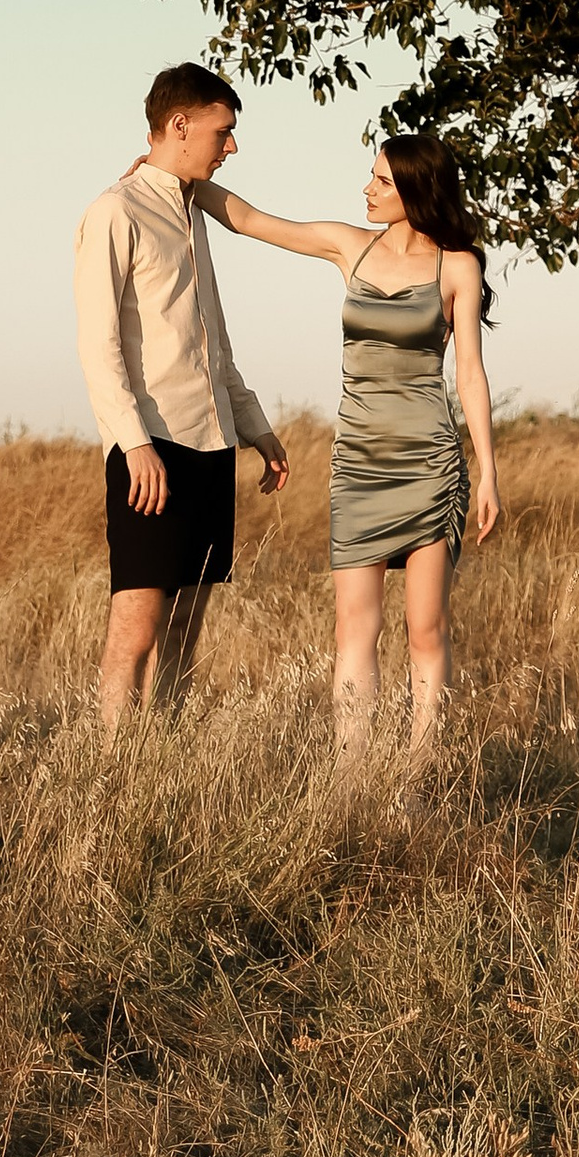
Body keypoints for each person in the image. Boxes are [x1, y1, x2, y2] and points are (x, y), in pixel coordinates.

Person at [193, 131, 499, 761]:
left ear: (417, 189)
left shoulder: (457, 267)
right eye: (372, 176)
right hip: (359, 463)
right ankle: (354, 771)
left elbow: (468, 373)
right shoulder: (349, 248)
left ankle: (418, 774)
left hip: (429, 464)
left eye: (383, 181)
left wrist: (488, 473)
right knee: (354, 626)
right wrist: (175, 178)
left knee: (426, 629)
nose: (367, 189)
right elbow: (251, 221)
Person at [74, 65, 289, 736]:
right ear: (180, 126)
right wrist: (132, 443)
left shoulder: (194, 213)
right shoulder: (115, 210)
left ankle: (158, 766)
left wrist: (255, 428)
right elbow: (97, 343)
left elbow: (211, 343)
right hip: (151, 447)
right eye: (224, 132)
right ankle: (109, 775)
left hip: (211, 443)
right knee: (136, 626)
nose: (231, 147)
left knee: (187, 629)